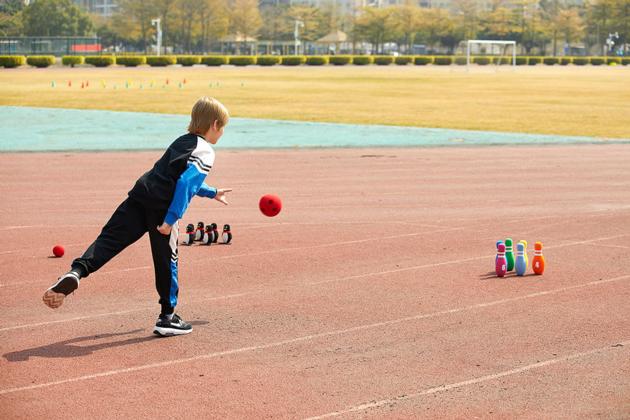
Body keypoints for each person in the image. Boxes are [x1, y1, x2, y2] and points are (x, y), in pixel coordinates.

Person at [42, 97, 231, 337]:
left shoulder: (182, 141)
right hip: (162, 210)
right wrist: (171, 220)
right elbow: (184, 184)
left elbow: (172, 176)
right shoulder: (206, 151)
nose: (222, 132)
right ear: (214, 124)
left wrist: (212, 192)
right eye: (222, 127)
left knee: (107, 241)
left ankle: (75, 272)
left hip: (140, 195)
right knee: (166, 261)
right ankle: (167, 317)